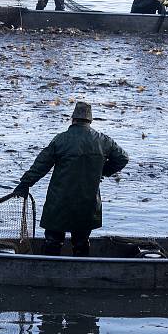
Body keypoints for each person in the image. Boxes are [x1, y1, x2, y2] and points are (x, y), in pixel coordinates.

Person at [13, 101, 129, 257]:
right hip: (88, 202)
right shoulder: (103, 140)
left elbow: (40, 166)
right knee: (81, 241)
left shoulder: (61, 140)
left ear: (73, 119)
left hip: (59, 201)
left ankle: (49, 271)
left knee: (53, 241)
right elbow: (123, 158)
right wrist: (103, 171)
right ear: (90, 120)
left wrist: (24, 184)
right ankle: (81, 271)